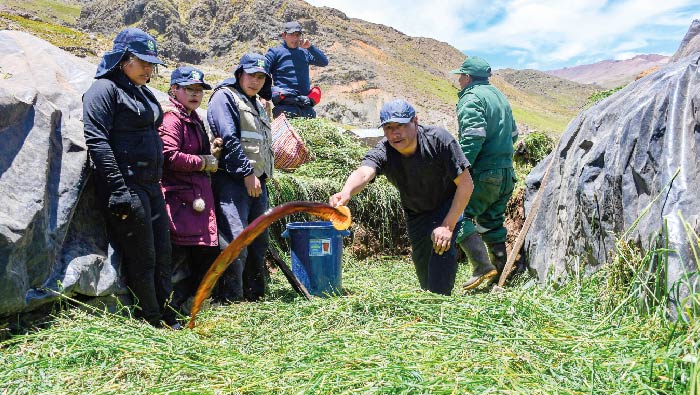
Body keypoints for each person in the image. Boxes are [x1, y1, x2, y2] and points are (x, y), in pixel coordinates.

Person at [83, 28, 178, 328]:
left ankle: (168, 313)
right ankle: (151, 320)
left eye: (153, 64)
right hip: (126, 186)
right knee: (143, 256)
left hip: (151, 185)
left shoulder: (143, 91)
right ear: (124, 58)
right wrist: (118, 190)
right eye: (143, 61)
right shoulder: (104, 90)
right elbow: (97, 140)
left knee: (164, 252)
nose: (149, 68)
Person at [329, 99, 474, 295]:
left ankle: (441, 306)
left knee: (440, 256)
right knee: (424, 271)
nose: (394, 133)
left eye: (400, 126)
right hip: (415, 212)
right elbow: (364, 173)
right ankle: (431, 298)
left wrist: (448, 225)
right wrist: (346, 191)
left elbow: (466, 184)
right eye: (388, 128)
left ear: (415, 121)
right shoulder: (384, 150)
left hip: (446, 206)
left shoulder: (439, 140)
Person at [207, 53, 274, 302]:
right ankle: (229, 299)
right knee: (235, 241)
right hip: (234, 181)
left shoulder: (257, 103)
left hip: (258, 182)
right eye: (250, 75)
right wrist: (247, 172)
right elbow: (230, 138)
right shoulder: (225, 96)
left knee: (258, 241)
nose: (255, 81)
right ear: (239, 74)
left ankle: (254, 297)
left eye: (260, 77)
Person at [449, 56, 519, 290]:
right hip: (506, 174)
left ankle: (481, 266)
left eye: (460, 76)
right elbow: (513, 135)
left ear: (468, 77)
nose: (459, 80)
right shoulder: (500, 97)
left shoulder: (471, 98)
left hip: (483, 174)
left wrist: (461, 169)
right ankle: (501, 276)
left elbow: (472, 137)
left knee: (456, 215)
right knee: (492, 222)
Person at [159, 65, 223, 312]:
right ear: (174, 89)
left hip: (195, 196)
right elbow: (169, 156)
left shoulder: (192, 116)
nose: (195, 94)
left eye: (199, 90)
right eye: (189, 89)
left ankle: (191, 306)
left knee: (203, 253)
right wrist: (203, 162)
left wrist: (210, 152)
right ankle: (173, 309)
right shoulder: (172, 118)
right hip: (181, 198)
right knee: (182, 255)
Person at [266, 20, 329, 118]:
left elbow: (324, 62)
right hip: (285, 107)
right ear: (284, 35)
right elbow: (264, 73)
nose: (295, 38)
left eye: (298, 35)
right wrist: (263, 97)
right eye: (292, 35)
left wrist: (310, 47)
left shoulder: (304, 52)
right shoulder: (275, 52)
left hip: (306, 106)